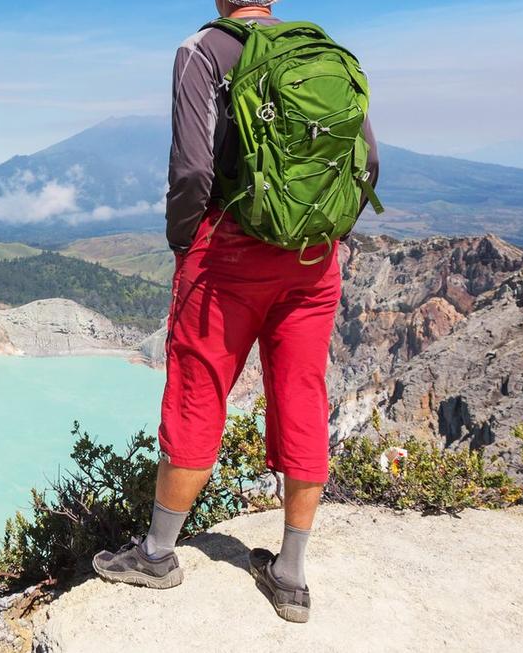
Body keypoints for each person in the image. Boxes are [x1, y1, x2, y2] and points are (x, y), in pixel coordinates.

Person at [88, 0, 380, 624]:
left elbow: (193, 167)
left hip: (227, 257)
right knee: (302, 393)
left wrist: (184, 242)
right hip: (312, 258)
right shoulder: (323, 50)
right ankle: (291, 575)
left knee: (200, 389)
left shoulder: (203, 51)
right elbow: (369, 165)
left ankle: (158, 554)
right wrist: (330, 235)